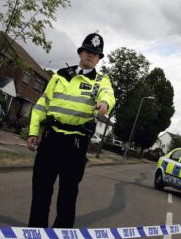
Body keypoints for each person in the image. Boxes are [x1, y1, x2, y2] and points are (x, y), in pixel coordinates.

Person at [26, 32, 115, 228]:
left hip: (75, 143)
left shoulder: (101, 81)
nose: (90, 55)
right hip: (51, 139)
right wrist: (33, 131)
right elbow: (42, 104)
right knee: (41, 188)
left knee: (68, 193)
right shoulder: (59, 76)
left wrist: (104, 103)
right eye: (87, 51)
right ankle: (35, 232)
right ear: (80, 53)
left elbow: (108, 94)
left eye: (95, 53)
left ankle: (61, 236)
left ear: (99, 59)